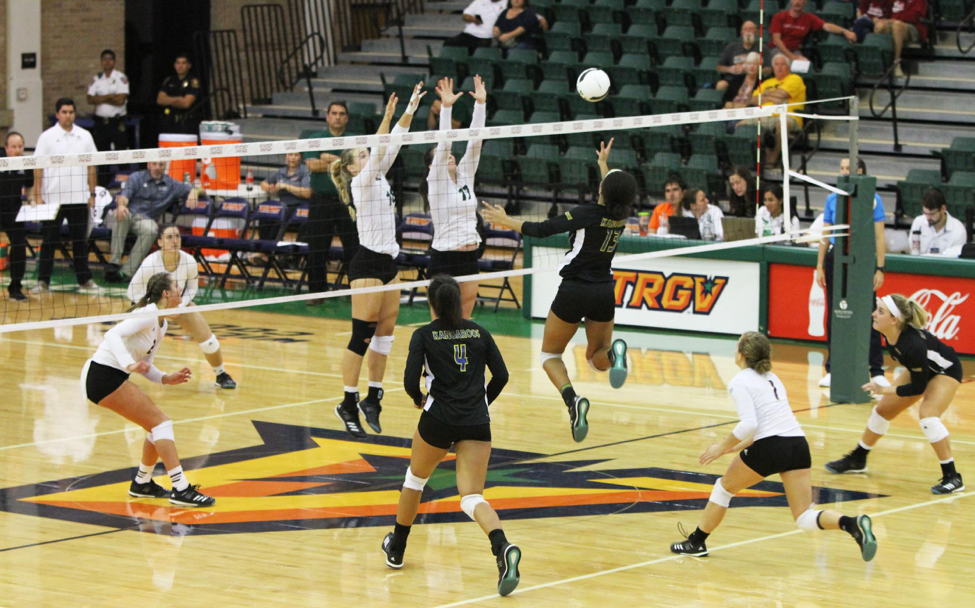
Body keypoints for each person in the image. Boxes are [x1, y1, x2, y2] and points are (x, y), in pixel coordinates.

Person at [670, 332, 877, 561]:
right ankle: (850, 524)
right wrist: (735, 447)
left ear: (741, 353)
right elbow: (768, 426)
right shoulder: (772, 377)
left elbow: (750, 423)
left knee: (723, 488)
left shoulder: (739, 381)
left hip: (772, 446)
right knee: (803, 517)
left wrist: (720, 447)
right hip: (797, 444)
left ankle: (696, 542)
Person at [481, 140, 633, 442]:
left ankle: (572, 401)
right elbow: (610, 193)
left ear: (603, 190)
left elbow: (541, 229)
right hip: (604, 290)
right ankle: (616, 357)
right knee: (595, 357)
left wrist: (505, 220)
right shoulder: (622, 215)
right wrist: (604, 164)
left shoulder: (585, 213)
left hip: (575, 290)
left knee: (550, 355)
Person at [382, 275, 518, 595]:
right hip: (476, 422)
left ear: (432, 303)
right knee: (472, 497)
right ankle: (502, 547)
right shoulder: (479, 331)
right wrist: (482, 402)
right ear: (459, 301)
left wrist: (419, 400)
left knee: (415, 480)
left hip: (438, 419)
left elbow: (408, 382)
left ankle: (397, 547)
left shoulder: (424, 334)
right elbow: (501, 376)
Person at [329, 82, 426, 438]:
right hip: (367, 263)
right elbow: (382, 143)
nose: (369, 156)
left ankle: (374, 397)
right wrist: (385, 116)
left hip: (389, 264)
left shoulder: (378, 176)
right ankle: (348, 402)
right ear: (353, 168)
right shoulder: (361, 183)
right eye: (363, 155)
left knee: (385, 336)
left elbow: (394, 141)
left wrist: (409, 110)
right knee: (362, 335)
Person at [82, 271, 215, 507]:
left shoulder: (161, 323)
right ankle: (181, 489)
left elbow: (148, 365)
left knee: (156, 427)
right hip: (101, 375)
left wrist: (165, 378)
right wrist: (128, 364)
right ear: (166, 293)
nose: (180, 290)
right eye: (176, 286)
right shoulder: (148, 313)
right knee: (161, 423)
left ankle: (142, 483)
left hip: (110, 376)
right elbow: (113, 334)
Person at [825, 294, 965, 495]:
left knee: (928, 416)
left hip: (946, 370)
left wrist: (884, 389)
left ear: (894, 320)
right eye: (876, 309)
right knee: (882, 411)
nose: (873, 314)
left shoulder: (913, 345)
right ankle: (858, 458)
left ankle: (952, 477)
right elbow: (917, 376)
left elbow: (917, 388)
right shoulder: (891, 334)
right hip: (921, 368)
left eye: (880, 311)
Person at [127, 226, 237, 389]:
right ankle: (117, 373)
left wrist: (180, 306)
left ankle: (221, 374)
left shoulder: (189, 261)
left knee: (208, 340)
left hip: (178, 305)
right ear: (160, 242)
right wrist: (155, 309)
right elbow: (132, 292)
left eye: (177, 236)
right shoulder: (151, 262)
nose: (174, 241)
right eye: (169, 237)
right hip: (150, 307)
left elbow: (192, 289)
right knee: (128, 343)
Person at [815, 157, 888, 389]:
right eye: (842, 168)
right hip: (837, 257)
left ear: (859, 171)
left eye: (849, 168)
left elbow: (879, 236)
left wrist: (880, 267)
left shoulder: (873, 199)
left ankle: (876, 370)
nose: (845, 172)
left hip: (862, 257)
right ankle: (832, 368)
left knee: (869, 313)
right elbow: (825, 235)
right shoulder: (831, 199)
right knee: (835, 313)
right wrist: (819, 265)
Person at [421, 76, 487, 318]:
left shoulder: (465, 173)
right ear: (431, 166)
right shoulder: (435, 180)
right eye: (440, 155)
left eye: (448, 154)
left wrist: (481, 104)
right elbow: (445, 142)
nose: (448, 156)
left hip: (469, 256)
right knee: (439, 324)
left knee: (464, 322)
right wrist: (446, 109)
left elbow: (476, 141)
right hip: (444, 257)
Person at [32, 97, 104, 295]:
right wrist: (38, 195)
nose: (68, 115)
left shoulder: (85, 136)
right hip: (53, 198)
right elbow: (37, 167)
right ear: (57, 114)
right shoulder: (46, 137)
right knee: (49, 241)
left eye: (71, 112)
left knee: (80, 242)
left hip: (79, 198)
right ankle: (43, 282)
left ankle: (85, 280)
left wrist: (92, 193)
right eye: (64, 112)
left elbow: (92, 166)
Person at [302, 101, 359, 301]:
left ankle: (356, 293)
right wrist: (340, 160)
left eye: (342, 113)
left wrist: (326, 157)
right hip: (321, 200)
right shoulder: (315, 138)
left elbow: (355, 167)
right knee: (317, 248)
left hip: (348, 200)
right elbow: (311, 165)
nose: (337, 117)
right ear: (327, 116)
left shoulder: (354, 140)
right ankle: (316, 294)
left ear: (347, 118)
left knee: (353, 248)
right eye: (334, 113)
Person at [106, 161, 198, 283]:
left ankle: (126, 272)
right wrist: (121, 206)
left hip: (145, 220)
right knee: (121, 215)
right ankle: (114, 263)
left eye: (161, 165)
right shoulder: (136, 177)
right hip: (129, 214)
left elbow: (196, 188)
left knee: (152, 230)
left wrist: (194, 192)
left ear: (165, 166)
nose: (157, 168)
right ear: (149, 165)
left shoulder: (171, 184)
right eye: (154, 164)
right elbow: (124, 196)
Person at [741, 54, 806, 167]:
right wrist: (771, 98)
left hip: (788, 116)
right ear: (773, 67)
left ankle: (773, 157)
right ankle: (748, 159)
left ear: (788, 67)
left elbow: (783, 94)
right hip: (765, 115)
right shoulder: (767, 82)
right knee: (741, 125)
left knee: (782, 124)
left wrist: (765, 95)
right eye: (776, 64)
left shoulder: (795, 79)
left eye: (782, 64)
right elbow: (753, 99)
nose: (779, 67)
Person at [86, 49, 129, 187]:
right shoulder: (97, 79)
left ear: (114, 62)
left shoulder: (120, 78)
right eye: (104, 59)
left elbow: (120, 100)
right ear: (101, 62)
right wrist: (110, 96)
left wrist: (101, 98)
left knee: (121, 154)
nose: (107, 61)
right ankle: (103, 185)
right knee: (102, 154)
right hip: (101, 122)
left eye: (110, 59)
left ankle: (124, 184)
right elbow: (90, 99)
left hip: (116, 122)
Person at [256, 152, 311, 257]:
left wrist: (286, 186)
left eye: (296, 155)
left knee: (278, 219)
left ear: (300, 157)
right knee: (265, 217)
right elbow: (263, 183)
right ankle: (265, 252)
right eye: (290, 155)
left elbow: (307, 193)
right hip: (282, 207)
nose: (293, 158)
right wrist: (270, 188)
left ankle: (278, 253)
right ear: (286, 156)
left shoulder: (304, 171)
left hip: (299, 207)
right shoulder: (281, 172)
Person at [0, 132, 34, 302]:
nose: (17, 150)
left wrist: (30, 202)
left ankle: (15, 288)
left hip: (13, 209)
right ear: (6, 148)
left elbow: (29, 187)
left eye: (20, 146)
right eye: (13, 147)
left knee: (20, 246)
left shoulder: (26, 163)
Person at [770, 0, 857, 63]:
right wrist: (791, 56)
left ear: (805, 2)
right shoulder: (779, 17)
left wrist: (845, 31)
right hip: (777, 49)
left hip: (794, 50)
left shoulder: (808, 18)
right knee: (782, 62)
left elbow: (826, 26)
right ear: (791, 1)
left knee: (804, 65)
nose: (797, 2)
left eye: (801, 0)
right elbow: (776, 40)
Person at [876, 0, 928, 78]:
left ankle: (896, 63)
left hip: (913, 27)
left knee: (897, 25)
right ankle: (881, 63)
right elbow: (885, 11)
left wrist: (896, 19)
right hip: (893, 23)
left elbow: (915, 16)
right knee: (879, 26)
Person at [909, 188, 967, 256]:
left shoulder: (958, 231)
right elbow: (912, 252)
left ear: (943, 209)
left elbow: (956, 261)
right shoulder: (918, 222)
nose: (928, 218)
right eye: (925, 213)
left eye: (932, 214)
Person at [156, 53, 200, 135]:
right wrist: (178, 99)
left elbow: (186, 103)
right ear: (175, 65)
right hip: (169, 121)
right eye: (178, 63)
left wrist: (168, 100)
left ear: (189, 65)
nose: (180, 66)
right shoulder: (169, 80)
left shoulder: (192, 81)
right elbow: (160, 100)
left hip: (186, 123)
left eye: (183, 63)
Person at [444, 0, 509, 52]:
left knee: (479, 50)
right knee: (449, 43)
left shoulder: (507, 3)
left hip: (487, 37)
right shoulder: (479, 1)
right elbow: (465, 15)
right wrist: (473, 19)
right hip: (469, 34)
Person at [716, 21, 763, 92]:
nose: (748, 31)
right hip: (733, 79)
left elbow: (768, 69)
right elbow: (719, 68)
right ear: (741, 33)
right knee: (721, 85)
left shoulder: (762, 47)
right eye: (746, 29)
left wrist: (749, 70)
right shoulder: (731, 47)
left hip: (753, 80)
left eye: (751, 29)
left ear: (756, 31)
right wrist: (730, 69)